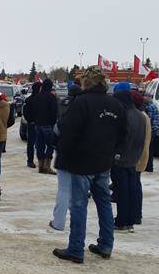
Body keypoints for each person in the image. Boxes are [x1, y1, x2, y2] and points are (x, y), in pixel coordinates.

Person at [53, 67, 126, 263]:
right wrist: (112, 152)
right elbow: (123, 134)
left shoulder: (81, 103)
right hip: (103, 162)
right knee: (104, 204)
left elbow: (68, 132)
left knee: (79, 206)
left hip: (81, 163)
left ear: (86, 83)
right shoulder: (116, 105)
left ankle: (76, 249)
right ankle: (106, 244)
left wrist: (64, 156)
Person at [110, 84, 146, 233]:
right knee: (131, 190)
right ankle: (130, 219)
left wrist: (115, 154)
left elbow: (120, 137)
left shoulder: (124, 115)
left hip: (121, 158)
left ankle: (121, 221)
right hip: (133, 157)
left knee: (122, 191)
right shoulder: (140, 115)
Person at [50, 84, 83, 231]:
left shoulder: (63, 107)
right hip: (81, 154)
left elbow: (56, 132)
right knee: (79, 192)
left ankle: (58, 222)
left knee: (63, 190)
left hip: (64, 153)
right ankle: (77, 224)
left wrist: (56, 146)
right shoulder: (85, 109)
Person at [132, 90, 151, 226]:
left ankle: (135, 214)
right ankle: (136, 214)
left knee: (134, 186)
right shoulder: (144, 115)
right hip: (140, 155)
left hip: (136, 156)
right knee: (136, 185)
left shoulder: (140, 116)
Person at [34, 78, 58, 175]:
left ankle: (40, 166)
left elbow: (34, 110)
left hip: (38, 124)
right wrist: (53, 122)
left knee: (40, 145)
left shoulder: (37, 97)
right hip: (48, 124)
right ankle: (47, 166)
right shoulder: (51, 97)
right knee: (50, 145)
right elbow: (54, 112)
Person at [23, 82, 42, 168]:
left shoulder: (41, 98)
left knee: (39, 143)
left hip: (39, 124)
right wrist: (30, 121)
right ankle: (30, 160)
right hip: (33, 124)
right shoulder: (30, 100)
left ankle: (39, 160)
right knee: (31, 143)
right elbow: (25, 112)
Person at [143, 95, 159, 172]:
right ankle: (149, 166)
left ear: (150, 98)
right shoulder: (153, 105)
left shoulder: (150, 107)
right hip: (154, 130)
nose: (144, 98)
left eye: (146, 96)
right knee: (150, 148)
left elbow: (148, 119)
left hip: (150, 130)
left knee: (148, 148)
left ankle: (148, 166)